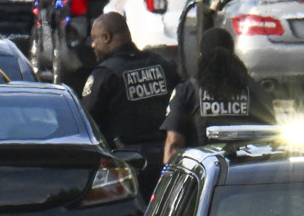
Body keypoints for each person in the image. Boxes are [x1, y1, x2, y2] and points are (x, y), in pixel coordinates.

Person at [80, 12, 179, 196]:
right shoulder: (163, 66)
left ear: (107, 37)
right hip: (168, 160)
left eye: (95, 39)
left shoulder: (105, 74)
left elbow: (87, 123)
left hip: (127, 167)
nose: (93, 46)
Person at [162, 26, 274, 162]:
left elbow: (174, 143)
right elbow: (272, 140)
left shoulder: (187, 90)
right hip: (250, 176)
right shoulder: (256, 90)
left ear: (201, 56)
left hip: (205, 177)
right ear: (233, 54)